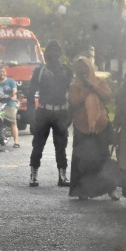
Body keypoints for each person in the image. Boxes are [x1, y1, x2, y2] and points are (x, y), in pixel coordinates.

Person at [27, 40, 73, 187]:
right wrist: (31, 114)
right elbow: (30, 94)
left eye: (56, 51)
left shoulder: (66, 71)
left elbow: (73, 93)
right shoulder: (40, 71)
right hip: (43, 112)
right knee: (38, 145)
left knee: (61, 145)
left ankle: (63, 176)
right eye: (50, 51)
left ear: (60, 53)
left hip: (60, 112)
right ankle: (33, 175)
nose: (53, 54)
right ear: (46, 54)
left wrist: (70, 114)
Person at [67, 56, 114, 200]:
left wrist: (93, 86)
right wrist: (86, 89)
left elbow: (108, 96)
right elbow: (74, 102)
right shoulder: (74, 85)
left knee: (103, 159)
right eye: (80, 67)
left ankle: (110, 190)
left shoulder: (100, 82)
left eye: (85, 67)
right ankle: (82, 191)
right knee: (82, 160)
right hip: (82, 127)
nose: (83, 70)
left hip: (101, 126)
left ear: (90, 68)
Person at [0, 66, 20, 148]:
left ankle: (16, 141)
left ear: (6, 73)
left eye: (3, 72)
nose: (2, 73)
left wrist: (13, 94)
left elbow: (14, 90)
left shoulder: (11, 81)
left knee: (12, 122)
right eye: (0, 72)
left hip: (10, 104)